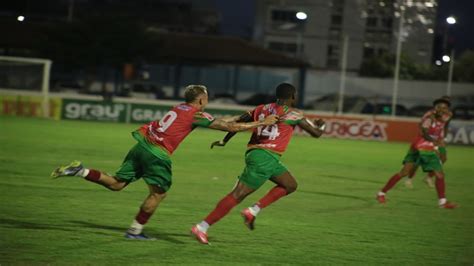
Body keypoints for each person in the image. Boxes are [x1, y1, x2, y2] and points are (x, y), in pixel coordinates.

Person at [51, 85, 278, 239]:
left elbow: (223, 122)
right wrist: (261, 123)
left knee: (117, 183)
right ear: (201, 99)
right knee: (158, 194)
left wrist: (238, 119)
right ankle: (134, 231)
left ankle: (80, 171)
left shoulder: (180, 108)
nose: (207, 100)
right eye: (207, 97)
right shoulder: (197, 114)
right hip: (157, 154)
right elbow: (229, 127)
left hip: (142, 145)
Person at [190, 83, 326, 245]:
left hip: (261, 155)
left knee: (289, 185)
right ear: (293, 96)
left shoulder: (261, 108)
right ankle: (202, 227)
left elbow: (238, 122)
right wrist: (322, 124)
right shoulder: (294, 114)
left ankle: (252, 211)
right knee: (237, 195)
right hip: (265, 157)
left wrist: (224, 140)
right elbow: (316, 133)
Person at [376, 97, 456, 209]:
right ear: (435, 108)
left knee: (404, 172)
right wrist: (435, 142)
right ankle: (442, 202)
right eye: (440, 107)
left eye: (445, 107)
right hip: (424, 146)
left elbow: (445, 125)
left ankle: (381, 193)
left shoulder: (447, 116)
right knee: (439, 173)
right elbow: (423, 133)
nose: (443, 110)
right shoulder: (429, 117)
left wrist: (443, 138)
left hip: (419, 145)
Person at [404, 96, 452, 189]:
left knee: (443, 158)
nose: (444, 107)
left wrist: (444, 138)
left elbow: (446, 126)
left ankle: (429, 177)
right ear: (437, 106)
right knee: (418, 161)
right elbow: (421, 126)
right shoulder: (429, 115)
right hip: (426, 138)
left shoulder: (448, 114)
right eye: (442, 105)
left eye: (446, 105)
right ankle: (409, 179)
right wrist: (424, 138)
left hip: (438, 139)